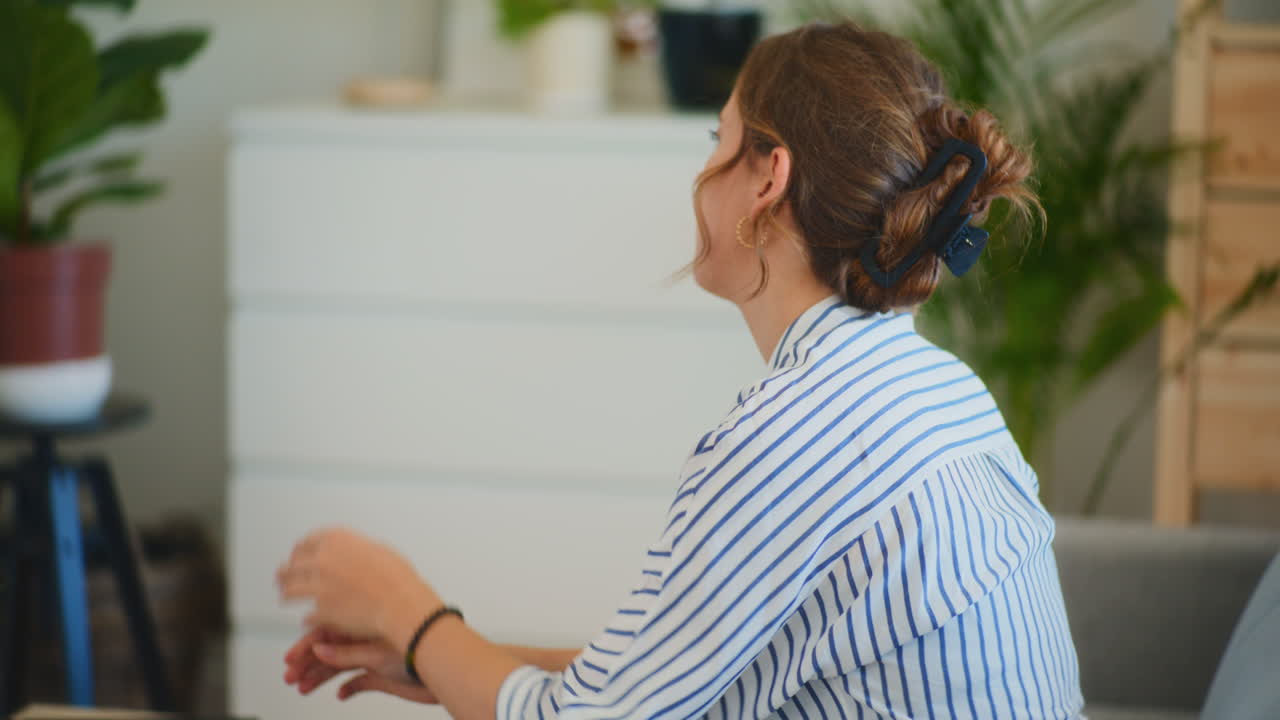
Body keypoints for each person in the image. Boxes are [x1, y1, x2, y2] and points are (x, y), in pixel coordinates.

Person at [277, 20, 1084, 719]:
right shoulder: (934, 389)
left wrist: (400, 603)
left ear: (769, 179)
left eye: (718, 142)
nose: (701, 177)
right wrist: (442, 658)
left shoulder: (791, 442)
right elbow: (665, 673)